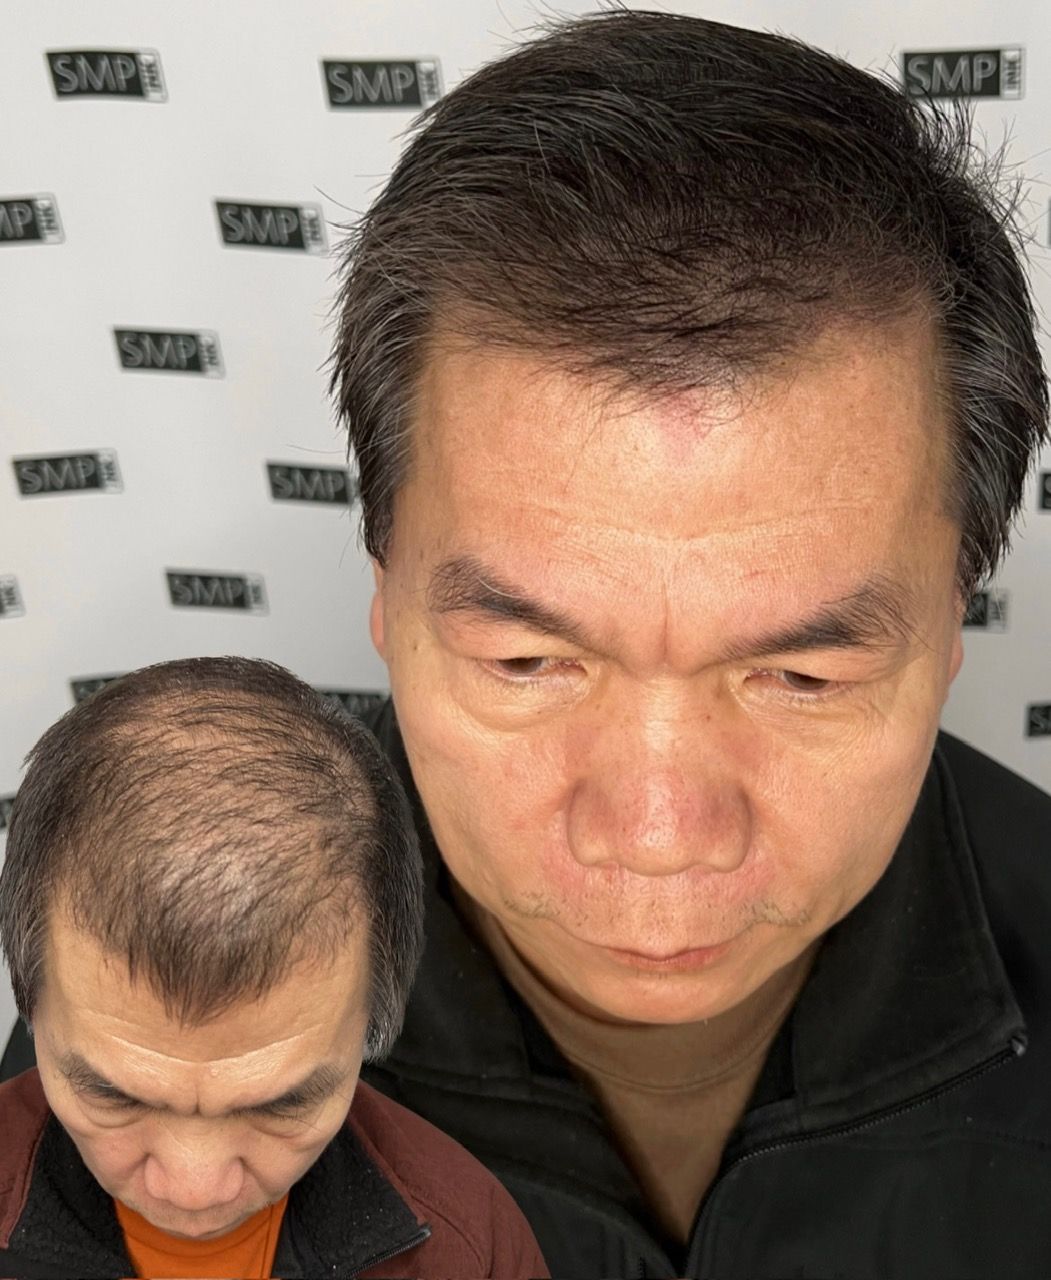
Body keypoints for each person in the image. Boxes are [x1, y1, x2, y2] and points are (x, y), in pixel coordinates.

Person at [4, 9, 1051, 1277]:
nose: (656, 831)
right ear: (383, 588)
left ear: (956, 621)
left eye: (799, 674)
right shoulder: (163, 1002)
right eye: (528, 662)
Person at [0, 657, 547, 1280]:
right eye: (113, 1097)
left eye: (280, 1107)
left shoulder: (469, 1250)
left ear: (372, 1024)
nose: (194, 1189)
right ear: (32, 1004)